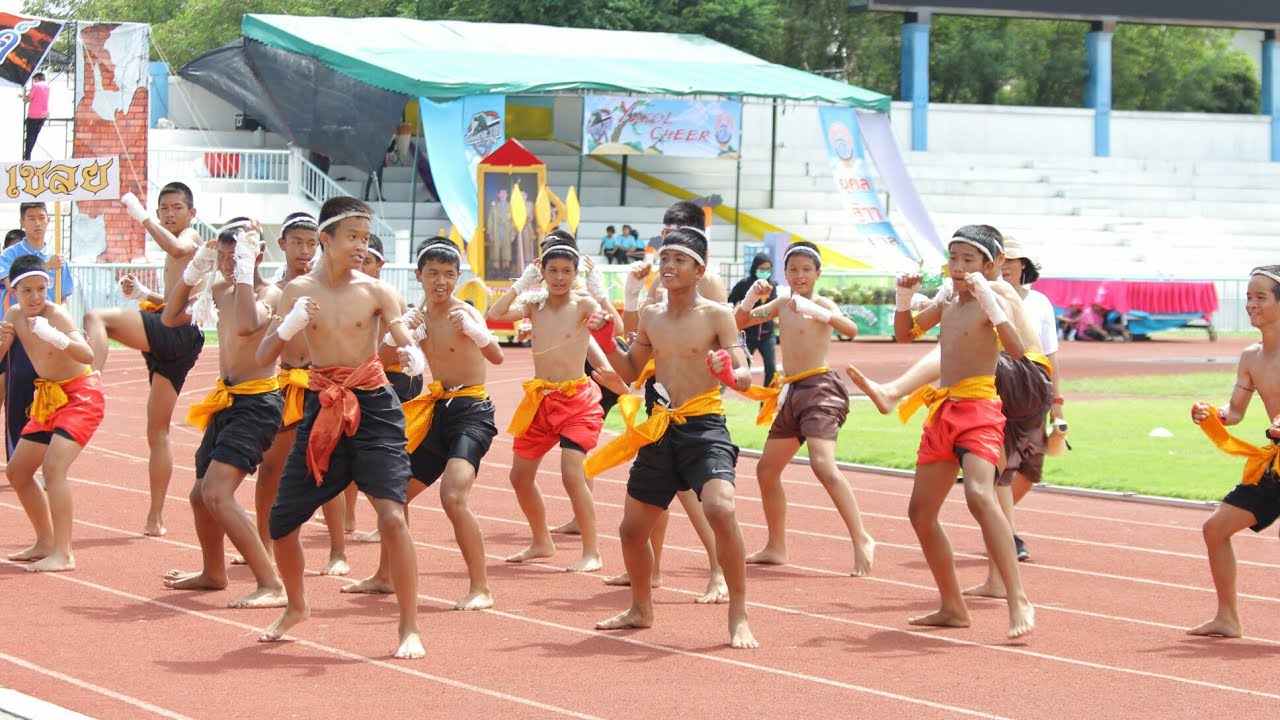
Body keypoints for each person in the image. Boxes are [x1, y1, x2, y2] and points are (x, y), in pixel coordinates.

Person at [258, 197, 426, 659]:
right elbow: (262, 357)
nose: (359, 245)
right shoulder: (295, 292)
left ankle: (408, 627)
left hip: (373, 406)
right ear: (325, 241)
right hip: (321, 406)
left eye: (365, 238)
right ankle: (296, 606)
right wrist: (289, 325)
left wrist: (413, 353)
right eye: (350, 236)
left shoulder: (376, 291)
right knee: (281, 522)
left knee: (393, 515)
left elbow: (403, 334)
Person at [585, 228, 758, 649]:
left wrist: (727, 372)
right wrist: (605, 336)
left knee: (719, 507)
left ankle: (739, 612)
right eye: (664, 259)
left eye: (679, 259)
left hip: (703, 426)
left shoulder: (718, 315)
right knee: (630, 531)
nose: (668, 266)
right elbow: (628, 370)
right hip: (660, 427)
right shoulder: (651, 316)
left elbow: (748, 376)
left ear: (699, 269)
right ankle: (640, 608)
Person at [344, 236, 501, 611]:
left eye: (449, 274)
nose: (441, 281)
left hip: (472, 411)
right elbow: (380, 360)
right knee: (392, 494)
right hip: (439, 411)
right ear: (419, 276)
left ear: (458, 277)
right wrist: (401, 334)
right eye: (433, 274)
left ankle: (481, 588)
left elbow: (495, 356)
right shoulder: (416, 318)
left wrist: (478, 333)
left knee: (453, 496)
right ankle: (385, 577)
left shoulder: (465, 312)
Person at [895, 226, 1034, 639]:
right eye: (953, 258)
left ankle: (1018, 598)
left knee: (978, 493)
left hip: (979, 407)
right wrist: (903, 297)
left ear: (991, 265)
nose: (957, 267)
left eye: (967, 260)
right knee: (920, 512)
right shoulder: (949, 299)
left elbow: (1018, 349)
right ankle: (952, 606)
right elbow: (906, 334)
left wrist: (991, 300)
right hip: (944, 409)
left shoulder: (1000, 294)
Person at [158, 219, 287, 609]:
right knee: (199, 495)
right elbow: (170, 316)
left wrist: (246, 270)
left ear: (258, 256)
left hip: (258, 403)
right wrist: (198, 264)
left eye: (239, 256)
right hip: (227, 401)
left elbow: (248, 326)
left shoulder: (272, 292)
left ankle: (271, 582)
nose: (230, 264)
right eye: (226, 257)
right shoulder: (219, 287)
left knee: (216, 491)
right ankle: (214, 572)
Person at [733, 241, 875, 575]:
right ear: (785, 273)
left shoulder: (823, 302)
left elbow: (851, 330)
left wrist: (821, 313)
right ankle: (776, 546)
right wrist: (753, 296)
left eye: (806, 270)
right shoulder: (781, 303)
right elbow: (740, 321)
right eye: (793, 270)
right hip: (792, 391)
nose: (799, 276)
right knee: (766, 470)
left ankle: (862, 538)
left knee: (822, 465)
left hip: (821, 390)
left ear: (818, 274)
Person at [82, 184, 205, 536]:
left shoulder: (190, 236)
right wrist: (142, 293)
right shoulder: (180, 247)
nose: (169, 214)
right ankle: (155, 517)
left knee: (96, 317)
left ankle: (89, 385)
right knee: (158, 431)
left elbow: (176, 245)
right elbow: (173, 300)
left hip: (177, 332)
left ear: (191, 213)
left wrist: (142, 216)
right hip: (182, 333)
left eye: (176, 208)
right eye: (163, 208)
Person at [487, 229, 605, 573]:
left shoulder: (583, 303)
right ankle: (541, 541)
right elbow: (495, 313)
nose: (559, 278)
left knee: (573, 473)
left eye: (566, 271)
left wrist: (598, 289)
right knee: (519, 477)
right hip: (540, 399)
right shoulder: (534, 304)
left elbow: (609, 321)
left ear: (575, 274)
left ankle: (592, 551)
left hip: (576, 399)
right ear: (543, 271)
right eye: (552, 270)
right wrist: (523, 282)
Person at [251, 211, 351, 575]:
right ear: (283, 244)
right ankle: (261, 545)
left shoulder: (326, 285)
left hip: (321, 384)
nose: (305, 250)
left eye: (312, 243)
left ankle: (338, 551)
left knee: (325, 468)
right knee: (270, 469)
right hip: (284, 384)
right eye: (297, 242)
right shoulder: (276, 289)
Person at [1187, 266, 1280, 638]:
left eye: (1260, 297)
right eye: (1248, 297)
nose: (1250, 304)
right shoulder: (1251, 356)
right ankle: (1227, 618)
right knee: (1215, 529)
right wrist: (1213, 415)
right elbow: (1236, 412)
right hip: (1272, 462)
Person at [0, 255, 104, 572]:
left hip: (81, 395)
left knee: (53, 468)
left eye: (41, 289)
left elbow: (87, 354)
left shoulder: (55, 313)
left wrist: (54, 335)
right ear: (12, 290)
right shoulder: (13, 315)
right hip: (49, 397)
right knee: (17, 472)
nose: (35, 297)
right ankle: (45, 542)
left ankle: (64, 552)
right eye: (27, 290)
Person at [348, 232, 421, 540]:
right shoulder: (349, 294)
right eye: (360, 260)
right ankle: (348, 517)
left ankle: (388, 521)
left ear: (380, 264)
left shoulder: (385, 295)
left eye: (369, 261)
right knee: (351, 448)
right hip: (364, 377)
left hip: (393, 378)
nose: (363, 266)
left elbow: (395, 342)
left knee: (380, 452)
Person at [998, 236, 1064, 561]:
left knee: (1031, 467)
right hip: (995, 385)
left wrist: (1058, 401)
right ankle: (1007, 536)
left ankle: (994, 520)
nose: (1007, 265)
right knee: (1002, 466)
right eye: (1002, 259)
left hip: (1034, 389)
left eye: (1013, 259)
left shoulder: (1039, 303)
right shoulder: (985, 298)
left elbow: (1050, 353)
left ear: (1023, 264)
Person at [0, 203, 75, 464]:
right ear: (22, 222)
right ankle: (16, 457)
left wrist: (63, 327)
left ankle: (46, 462)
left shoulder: (58, 258)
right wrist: (45, 265)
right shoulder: (10, 255)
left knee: (50, 396)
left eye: (42, 217)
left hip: (47, 336)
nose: (37, 223)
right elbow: (15, 288)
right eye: (31, 218)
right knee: (14, 395)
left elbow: (63, 298)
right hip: (14, 334)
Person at [727, 252, 778, 387]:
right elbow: (730, 301)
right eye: (762, 269)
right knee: (744, 368)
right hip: (748, 334)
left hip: (768, 335)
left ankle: (765, 403)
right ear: (755, 268)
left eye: (768, 269)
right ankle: (743, 396)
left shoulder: (774, 285)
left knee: (771, 367)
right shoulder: (744, 284)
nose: (765, 272)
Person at [21, 72, 49, 161]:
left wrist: (23, 98)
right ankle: (29, 153)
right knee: (35, 136)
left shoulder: (36, 85)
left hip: (33, 115)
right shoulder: (48, 86)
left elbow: (29, 99)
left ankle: (27, 156)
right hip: (43, 115)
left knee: (29, 136)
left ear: (37, 78)